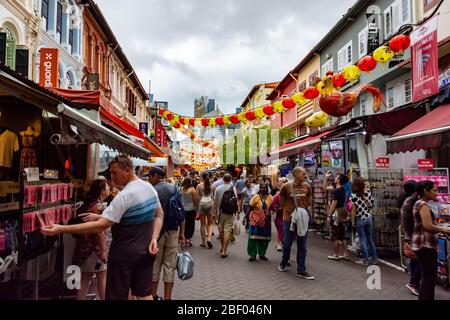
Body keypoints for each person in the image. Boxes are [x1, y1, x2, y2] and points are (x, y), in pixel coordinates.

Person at [41, 155, 163, 300]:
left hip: (123, 255)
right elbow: (159, 215)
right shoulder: (149, 188)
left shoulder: (124, 196)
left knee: (119, 295)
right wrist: (154, 239)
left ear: (128, 170)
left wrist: (61, 229)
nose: (111, 177)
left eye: (114, 173)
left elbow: (100, 227)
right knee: (144, 294)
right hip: (145, 252)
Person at [147, 167, 184, 301]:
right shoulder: (174, 188)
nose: (149, 179)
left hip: (156, 233)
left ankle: (153, 295)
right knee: (169, 266)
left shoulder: (152, 190)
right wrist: (182, 233)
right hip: (173, 230)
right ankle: (168, 297)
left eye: (150, 176)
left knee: (155, 264)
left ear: (155, 176)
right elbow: (181, 212)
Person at [71, 179, 109, 300]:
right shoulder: (96, 207)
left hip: (85, 249)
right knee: (101, 275)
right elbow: (98, 231)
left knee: (86, 276)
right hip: (94, 251)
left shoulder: (89, 204)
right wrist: (103, 251)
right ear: (102, 191)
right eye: (107, 186)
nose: (109, 188)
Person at [412, 181, 450, 300]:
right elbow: (428, 226)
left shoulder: (420, 203)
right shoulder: (423, 205)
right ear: (425, 191)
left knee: (428, 276)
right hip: (425, 245)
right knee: (429, 276)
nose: (437, 193)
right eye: (434, 190)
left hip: (423, 244)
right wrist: (444, 229)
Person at [278, 167, 315, 280]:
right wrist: (289, 211)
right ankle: (284, 261)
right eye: (303, 174)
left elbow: (309, 198)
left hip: (302, 219)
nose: (305, 175)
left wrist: (303, 210)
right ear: (296, 174)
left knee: (302, 245)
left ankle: (301, 269)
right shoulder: (286, 187)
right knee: (287, 243)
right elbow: (282, 201)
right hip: (289, 220)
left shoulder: (307, 186)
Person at [350, 177, 377, 266]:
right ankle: (374, 258)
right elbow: (371, 204)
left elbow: (353, 210)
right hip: (368, 218)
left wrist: (352, 220)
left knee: (362, 239)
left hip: (359, 219)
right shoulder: (368, 193)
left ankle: (365, 259)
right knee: (370, 239)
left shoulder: (353, 197)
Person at [325, 172, 351, 262]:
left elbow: (334, 203)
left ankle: (335, 254)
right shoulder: (342, 189)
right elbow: (325, 187)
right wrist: (326, 178)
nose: (335, 178)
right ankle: (346, 254)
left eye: (336, 177)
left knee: (335, 234)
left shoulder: (336, 190)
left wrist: (329, 215)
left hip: (336, 213)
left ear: (339, 180)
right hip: (342, 211)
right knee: (342, 233)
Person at [400, 180, 420, 296]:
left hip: (409, 233)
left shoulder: (406, 200)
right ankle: (414, 282)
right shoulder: (413, 202)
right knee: (420, 259)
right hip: (413, 235)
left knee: (414, 258)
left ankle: (414, 280)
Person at [212, 173, 239, 258]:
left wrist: (213, 212)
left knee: (221, 231)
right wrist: (238, 212)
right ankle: (224, 251)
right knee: (227, 231)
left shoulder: (218, 188)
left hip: (221, 212)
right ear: (230, 180)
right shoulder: (233, 188)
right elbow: (236, 200)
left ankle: (222, 247)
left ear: (223, 179)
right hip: (230, 213)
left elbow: (215, 202)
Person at [247, 184, 273, 262]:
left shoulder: (270, 198)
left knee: (265, 239)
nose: (263, 189)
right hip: (255, 220)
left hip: (266, 221)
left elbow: (273, 207)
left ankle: (262, 254)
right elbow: (250, 208)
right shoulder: (256, 197)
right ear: (259, 189)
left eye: (265, 187)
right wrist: (245, 217)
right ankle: (252, 254)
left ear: (267, 189)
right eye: (261, 187)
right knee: (253, 238)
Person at [197, 172, 215, 249]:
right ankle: (209, 238)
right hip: (210, 203)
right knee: (210, 223)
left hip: (202, 203)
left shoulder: (199, 186)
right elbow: (213, 196)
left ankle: (203, 242)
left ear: (202, 177)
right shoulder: (213, 186)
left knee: (203, 224)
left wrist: (197, 208)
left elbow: (197, 197)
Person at [181, 177, 199, 247]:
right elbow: (195, 200)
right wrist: (197, 208)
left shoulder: (181, 188)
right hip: (191, 209)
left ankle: (184, 238)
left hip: (183, 208)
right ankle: (188, 238)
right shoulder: (192, 190)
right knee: (191, 224)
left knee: (184, 224)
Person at [270, 178, 287, 252]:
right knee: (280, 228)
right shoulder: (276, 193)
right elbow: (272, 204)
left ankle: (279, 243)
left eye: (282, 182)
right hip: (278, 215)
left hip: (287, 214)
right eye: (279, 181)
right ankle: (280, 243)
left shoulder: (288, 194)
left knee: (282, 230)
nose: (281, 183)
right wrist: (277, 208)